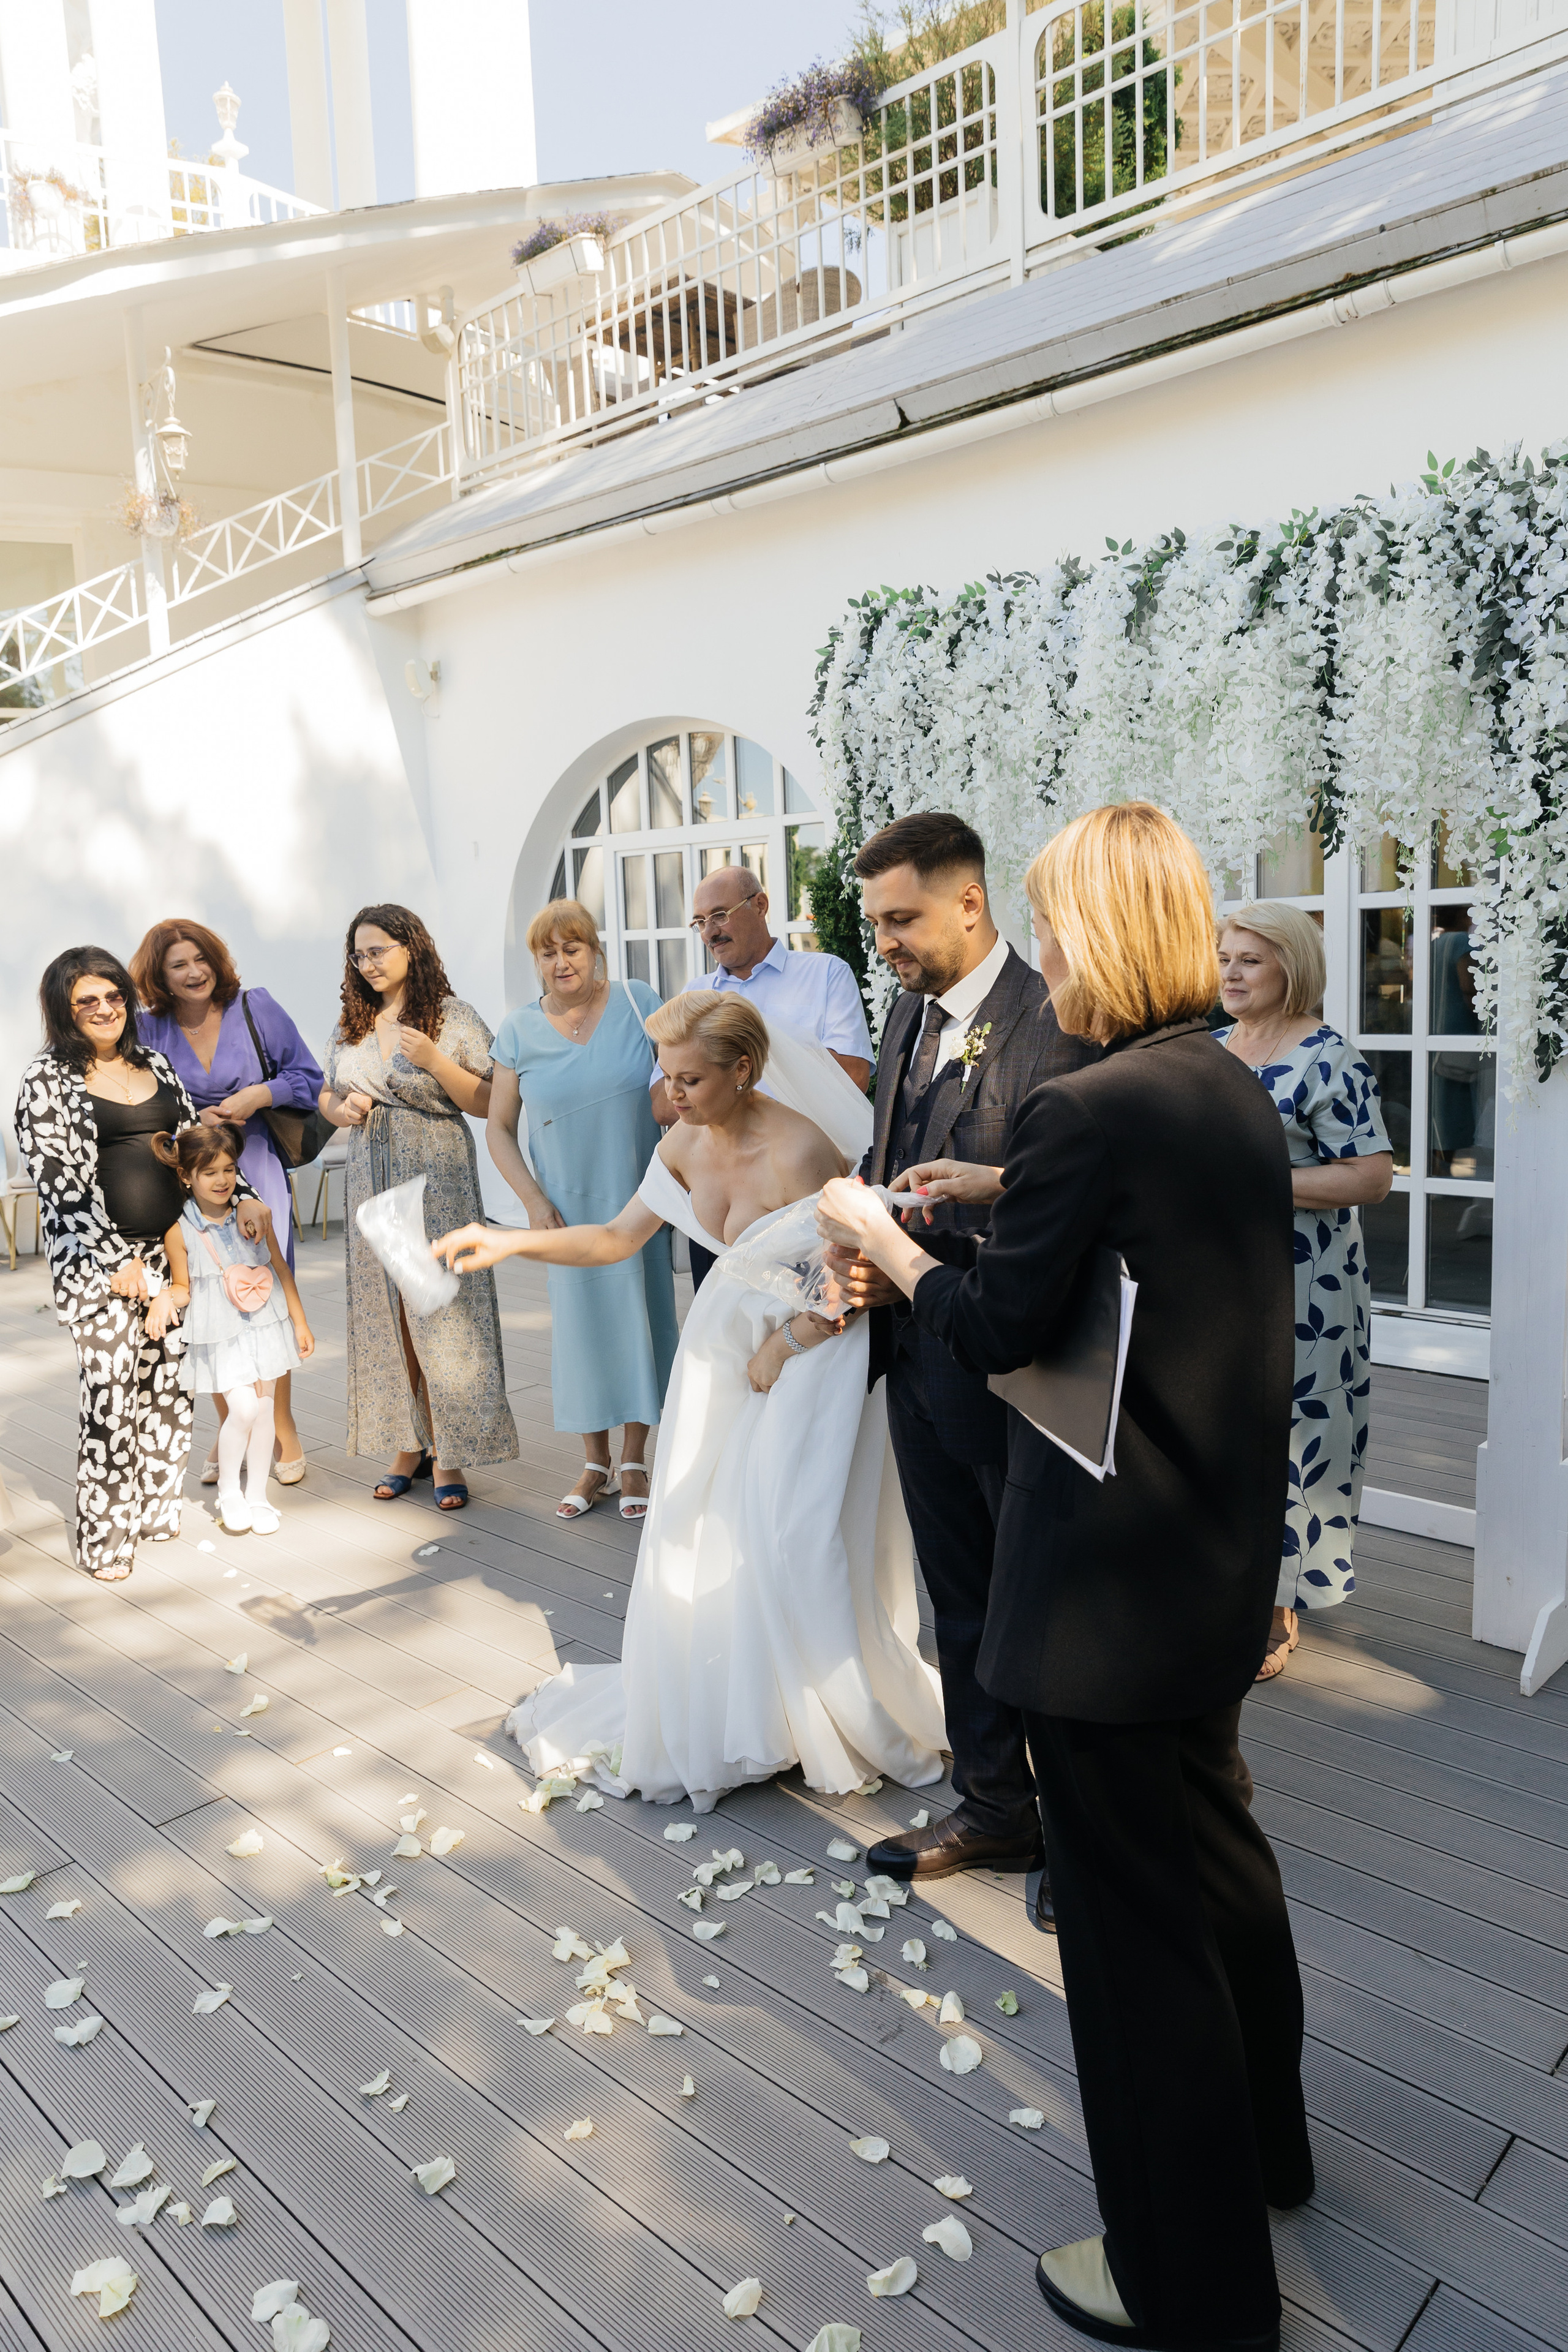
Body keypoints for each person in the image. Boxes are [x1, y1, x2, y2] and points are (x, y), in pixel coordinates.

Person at [821, 803, 1312, 2352]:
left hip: (1099, 1595)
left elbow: (994, 1335)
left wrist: (883, 1238)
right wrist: (987, 1202)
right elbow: (1138, 1273)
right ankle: (1272, 2154)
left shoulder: (1085, 1107)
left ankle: (1190, 2280)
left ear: (1094, 932)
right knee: (1222, 1861)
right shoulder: (1220, 1084)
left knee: (1126, 1942)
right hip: (1209, 1563)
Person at [433, 992, 946, 1812]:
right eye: (667, 1078)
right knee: (707, 1524)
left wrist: (786, 1348)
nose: (673, 1097)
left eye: (693, 1080)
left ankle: (819, 1707)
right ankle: (746, 1708)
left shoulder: (804, 1148)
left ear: (744, 1069)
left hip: (811, 1355)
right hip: (719, 1350)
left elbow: (851, 1281)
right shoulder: (681, 1140)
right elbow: (614, 1239)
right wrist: (509, 1241)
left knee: (795, 1531)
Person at [845, 810, 1099, 1888]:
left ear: (970, 903)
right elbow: (890, 1157)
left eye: (901, 919)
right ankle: (996, 1805)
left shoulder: (1056, 1018)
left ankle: (1085, 1839)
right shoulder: (904, 1014)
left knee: (1044, 1602)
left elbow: (1065, 1203)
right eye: (876, 923)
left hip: (1021, 1368)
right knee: (961, 1594)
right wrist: (864, 1255)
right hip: (915, 1352)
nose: (886, 942)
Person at [15, 946, 273, 1580]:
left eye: (113, 996)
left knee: (167, 1387)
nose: (105, 1009)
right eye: (87, 1001)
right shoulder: (47, 1080)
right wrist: (114, 1261)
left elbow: (193, 1147)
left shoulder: (154, 1063)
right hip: (94, 1263)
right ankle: (106, 1536)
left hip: (173, 1252)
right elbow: (59, 1183)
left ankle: (156, 1511)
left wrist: (242, 1197)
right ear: (64, 1011)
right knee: (110, 1393)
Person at [1218, 902, 1393, 1678]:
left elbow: (1371, 1176)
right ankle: (1224, 1584)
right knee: (1226, 1428)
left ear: (1291, 967)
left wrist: (1259, 1185)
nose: (1229, 972)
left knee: (1297, 1437)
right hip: (1218, 1278)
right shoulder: (1213, 1050)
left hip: (1308, 1286)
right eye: (1224, 957)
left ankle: (1278, 1605)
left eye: (1249, 960)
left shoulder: (1329, 1058)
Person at [319, 903, 517, 1509]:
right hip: (369, 1178)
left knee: (442, 1309)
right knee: (390, 1314)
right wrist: (340, 1110)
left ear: (412, 948)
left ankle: (452, 1449)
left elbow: (490, 1103)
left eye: (379, 949)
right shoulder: (353, 1023)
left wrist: (434, 1061)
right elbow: (328, 1094)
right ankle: (410, 1442)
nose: (368, 963)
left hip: (436, 1176)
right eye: (359, 954)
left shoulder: (452, 1017)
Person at [488, 900, 678, 1521]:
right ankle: (593, 1460)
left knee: (642, 1317)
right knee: (582, 1328)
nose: (561, 961)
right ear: (536, 961)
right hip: (564, 1211)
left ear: (595, 950)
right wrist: (533, 1202)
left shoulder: (637, 1001)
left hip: (638, 1198)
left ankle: (634, 1457)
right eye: (548, 951)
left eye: (573, 947)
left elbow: (679, 1086)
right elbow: (497, 1128)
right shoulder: (516, 1030)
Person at [132, 918, 323, 1490]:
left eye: (200, 960)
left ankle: (280, 1420)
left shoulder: (254, 1007)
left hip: (257, 1162)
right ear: (160, 977)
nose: (193, 973)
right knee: (215, 1297)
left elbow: (308, 1078)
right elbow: (145, 1104)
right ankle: (232, 1427)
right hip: (191, 1178)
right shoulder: (147, 1028)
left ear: (215, 960)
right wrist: (191, 1121)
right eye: (178, 965)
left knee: (262, 1292)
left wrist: (258, 1094)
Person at [682, 861, 873, 1287]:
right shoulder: (695, 997)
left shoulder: (825, 974)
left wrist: (731, 1091)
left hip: (804, 1190)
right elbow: (664, 1098)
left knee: (810, 1317)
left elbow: (853, 1075)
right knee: (720, 1324)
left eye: (719, 915)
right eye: (700, 922)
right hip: (719, 1194)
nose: (710, 932)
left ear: (761, 904)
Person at [149, 1122, 314, 1535]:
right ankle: (229, 1491)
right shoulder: (180, 1230)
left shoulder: (254, 1214)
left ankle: (257, 1496)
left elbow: (279, 1268)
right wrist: (167, 1296)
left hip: (266, 1326)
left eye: (228, 1169)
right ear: (186, 1177)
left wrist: (300, 1321)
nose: (222, 1180)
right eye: (209, 1173)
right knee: (242, 1408)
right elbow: (184, 1286)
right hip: (221, 1332)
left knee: (263, 1414)